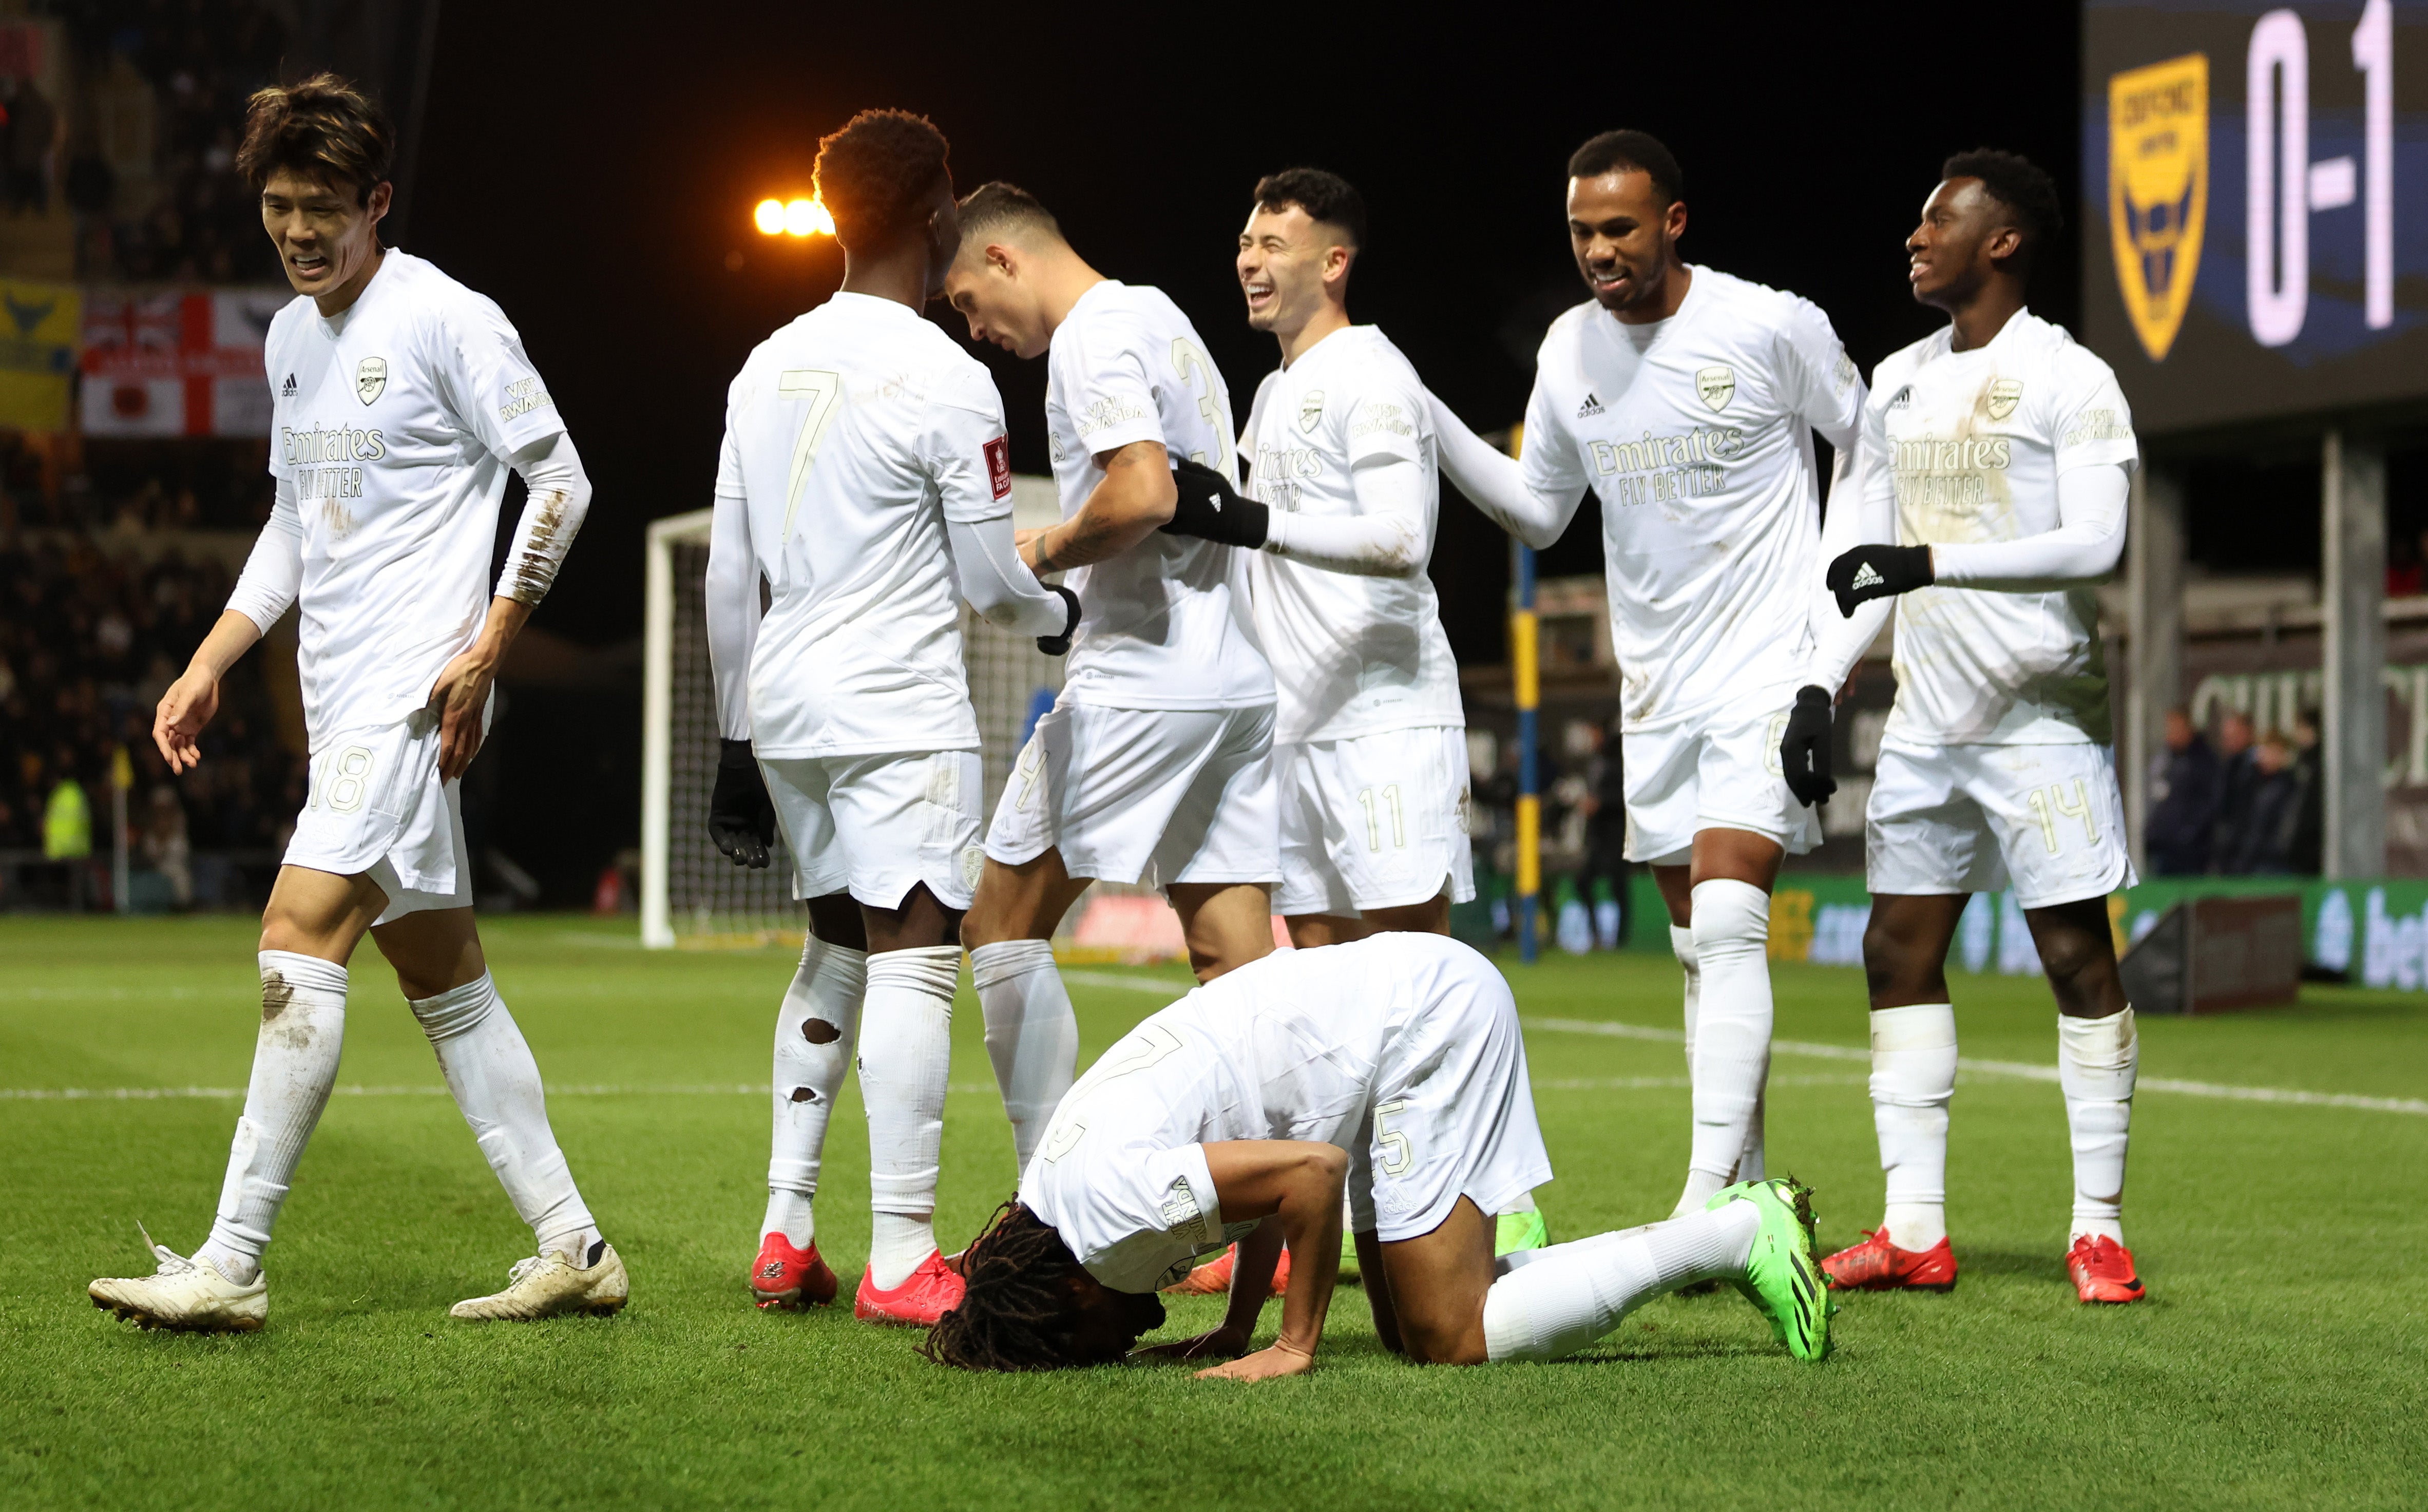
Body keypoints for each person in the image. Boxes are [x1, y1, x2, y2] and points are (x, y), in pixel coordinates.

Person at [89, 75, 619, 1332]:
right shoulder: (288, 338)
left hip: (407, 693)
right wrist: (213, 656)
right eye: (278, 207)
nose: (298, 231)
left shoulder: (447, 318)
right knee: (447, 981)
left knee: (292, 938)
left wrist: (490, 643)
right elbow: (291, 525)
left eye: (323, 206)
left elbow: (562, 478)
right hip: (345, 703)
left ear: (377, 200)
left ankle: (229, 1259)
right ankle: (577, 1244)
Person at [1427, 130, 1867, 1220]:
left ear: (1673, 220)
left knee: (1726, 921)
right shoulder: (1569, 348)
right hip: (1657, 688)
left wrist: (1832, 656)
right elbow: (1539, 510)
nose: (1596, 250)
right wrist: (1423, 414)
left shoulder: (1768, 322)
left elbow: (1869, 454)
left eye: (1617, 227)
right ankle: (1755, 1193)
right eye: (1580, 231)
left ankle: (1700, 1199)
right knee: (1694, 945)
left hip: (1768, 668)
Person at [701, 112, 1076, 1328]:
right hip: (898, 704)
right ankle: (903, 1251)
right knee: (918, 959)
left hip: (790, 704)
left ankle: (785, 1225)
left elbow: (725, 575)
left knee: (831, 951)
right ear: (937, 213)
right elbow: (986, 581)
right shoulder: (946, 375)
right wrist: (1060, 607)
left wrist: (733, 734)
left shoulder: (763, 363)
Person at [919, 932, 1830, 1375]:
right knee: (1408, 1330)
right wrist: (1235, 1327)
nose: (1120, 1343)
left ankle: (1735, 1233)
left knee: (1451, 1337)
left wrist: (1292, 1343)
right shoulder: (1058, 1193)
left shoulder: (1106, 1224)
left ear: (1068, 1291)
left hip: (1418, 1026)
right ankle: (1726, 1228)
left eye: (1080, 1346)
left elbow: (1308, 1179)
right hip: (1383, 1029)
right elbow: (1260, 1188)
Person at [1808, 149, 2147, 1305]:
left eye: (1938, 217)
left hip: (2042, 719)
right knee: (1894, 950)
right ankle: (1913, 1229)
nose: (1915, 234)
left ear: (2002, 241)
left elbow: (2099, 543)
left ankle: (2096, 1227)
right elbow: (1855, 563)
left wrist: (1931, 559)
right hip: (1927, 724)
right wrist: (1822, 681)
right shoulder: (1897, 380)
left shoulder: (2072, 375)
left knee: (2073, 955)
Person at [940, 184, 1279, 1173]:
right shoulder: (1162, 316)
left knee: (998, 921)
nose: (974, 329)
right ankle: (1264, 1219)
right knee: (1236, 971)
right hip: (1233, 682)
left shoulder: (1090, 335)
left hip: (1144, 681)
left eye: (966, 300)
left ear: (1003, 258)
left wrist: (1038, 549)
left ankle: (1050, 1215)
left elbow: (1142, 490)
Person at [2144, 706, 2220, 875]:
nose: (2170, 734)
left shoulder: (2203, 761)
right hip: (2162, 847)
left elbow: (2209, 804)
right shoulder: (2165, 760)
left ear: (2189, 729)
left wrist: (2188, 834)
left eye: (2176, 729)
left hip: (2190, 854)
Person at [2209, 711, 2259, 874]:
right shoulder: (2227, 767)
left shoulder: (2258, 769)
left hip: (2250, 853)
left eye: (2235, 735)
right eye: (2227, 737)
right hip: (2228, 851)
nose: (2230, 742)